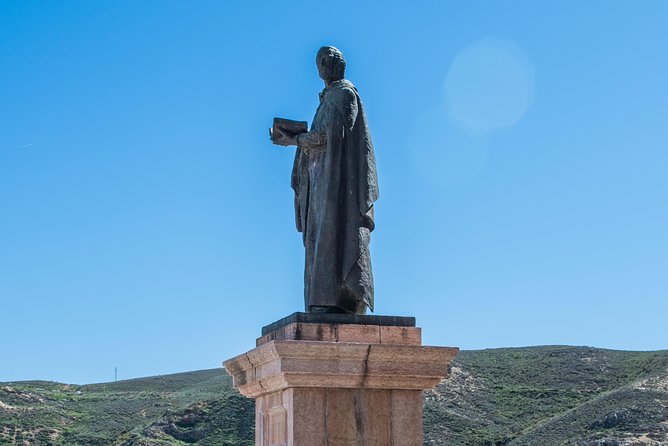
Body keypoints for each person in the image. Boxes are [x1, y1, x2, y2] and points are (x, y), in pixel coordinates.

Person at [272, 46, 378, 314]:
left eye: (323, 62)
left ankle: (340, 298)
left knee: (334, 236)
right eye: (320, 62)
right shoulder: (328, 98)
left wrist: (293, 139)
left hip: (336, 186)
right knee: (321, 240)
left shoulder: (343, 94)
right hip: (321, 181)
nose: (322, 67)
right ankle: (326, 299)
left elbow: (328, 135)